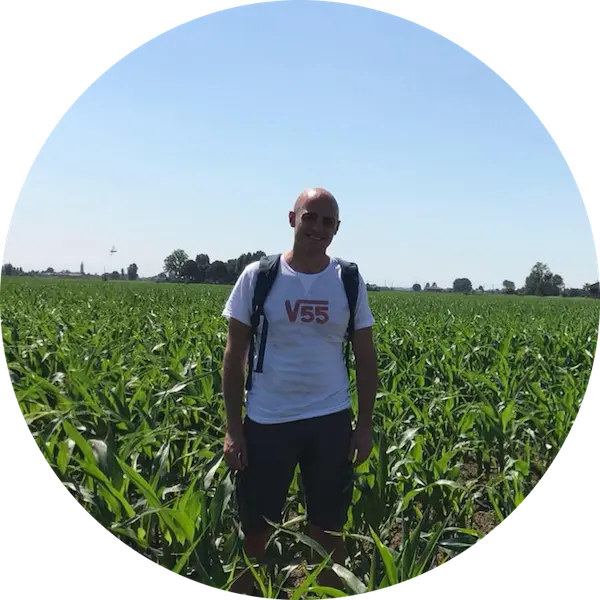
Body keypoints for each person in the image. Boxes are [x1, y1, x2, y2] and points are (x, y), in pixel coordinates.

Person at [221, 188, 378, 597]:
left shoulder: (347, 280)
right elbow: (234, 357)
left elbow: (365, 358)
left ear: (337, 229)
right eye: (310, 217)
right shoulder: (258, 277)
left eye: (328, 222)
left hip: (330, 422)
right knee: (255, 529)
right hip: (268, 421)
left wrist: (364, 426)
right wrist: (234, 430)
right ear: (292, 219)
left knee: (328, 530)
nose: (318, 228)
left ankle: (326, 593)